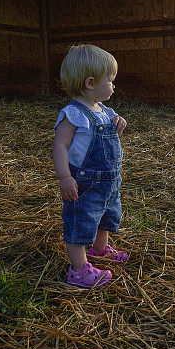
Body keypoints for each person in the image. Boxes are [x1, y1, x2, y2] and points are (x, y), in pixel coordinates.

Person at [53, 44, 129, 288]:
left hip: (108, 182)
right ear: (89, 83)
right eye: (111, 80)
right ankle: (78, 270)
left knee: (104, 216)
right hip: (84, 183)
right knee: (81, 221)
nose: (114, 85)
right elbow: (61, 146)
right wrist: (65, 177)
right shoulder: (73, 114)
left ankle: (99, 249)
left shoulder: (105, 111)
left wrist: (119, 121)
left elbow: (111, 128)